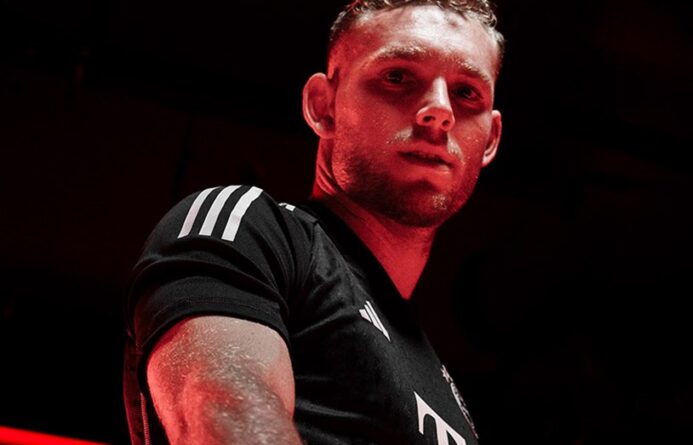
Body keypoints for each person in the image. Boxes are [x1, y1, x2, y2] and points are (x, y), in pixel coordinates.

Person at [123, 0, 505, 443]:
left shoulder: (448, 394)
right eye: (398, 77)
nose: (439, 110)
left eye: (466, 93)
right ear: (323, 106)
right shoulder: (254, 228)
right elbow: (223, 414)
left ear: (490, 140)